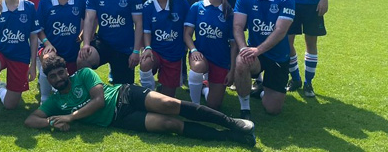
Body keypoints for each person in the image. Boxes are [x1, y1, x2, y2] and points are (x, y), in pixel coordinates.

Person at [24, 56, 256, 147]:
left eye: (60, 73)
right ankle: (230, 136)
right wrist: (51, 123)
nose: (58, 78)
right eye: (53, 77)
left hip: (125, 94)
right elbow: (30, 120)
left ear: (67, 71)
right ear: (50, 81)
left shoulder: (83, 74)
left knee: (169, 104)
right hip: (119, 119)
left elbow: (98, 101)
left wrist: (70, 117)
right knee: (169, 125)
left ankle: (231, 122)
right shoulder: (55, 102)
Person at [234, 0, 295, 118]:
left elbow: (280, 31)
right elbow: (238, 27)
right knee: (241, 61)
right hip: (256, 55)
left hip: (278, 56)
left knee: (273, 109)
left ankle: (263, 91)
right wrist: (243, 48)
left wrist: (258, 50)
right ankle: (245, 109)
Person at [77, 0, 143, 84]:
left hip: (124, 47)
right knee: (83, 59)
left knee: (124, 91)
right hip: (104, 44)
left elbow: (139, 23)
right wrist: (86, 44)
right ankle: (87, 94)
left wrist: (135, 51)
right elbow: (89, 20)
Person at [183, 0, 236, 111]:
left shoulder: (229, 12)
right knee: (198, 66)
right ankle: (195, 106)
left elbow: (233, 44)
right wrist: (194, 50)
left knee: (214, 104)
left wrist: (232, 70)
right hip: (201, 55)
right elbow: (187, 34)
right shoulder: (197, 7)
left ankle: (204, 87)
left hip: (220, 59)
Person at [36, 0, 86, 103]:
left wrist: (83, 35)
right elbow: (38, 28)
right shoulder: (45, 0)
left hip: (71, 50)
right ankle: (45, 98)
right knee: (49, 61)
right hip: (51, 47)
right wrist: (47, 43)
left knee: (67, 90)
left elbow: (89, 20)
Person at [139, 0, 189, 97]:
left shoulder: (181, 2)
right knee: (145, 62)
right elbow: (146, 31)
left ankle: (162, 86)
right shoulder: (148, 6)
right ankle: (148, 95)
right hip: (156, 51)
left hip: (174, 54)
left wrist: (187, 46)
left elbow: (188, 28)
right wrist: (148, 48)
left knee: (168, 98)